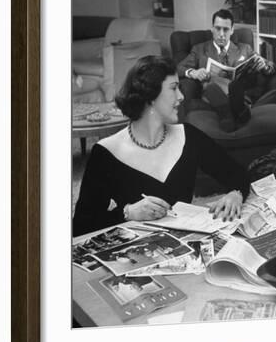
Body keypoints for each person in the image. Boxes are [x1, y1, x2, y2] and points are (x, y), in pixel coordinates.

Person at [73, 55, 250, 237]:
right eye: (174, 88)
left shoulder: (189, 136)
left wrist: (235, 194)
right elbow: (81, 226)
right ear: (150, 96)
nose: (181, 97)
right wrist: (128, 213)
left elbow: (239, 175)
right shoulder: (106, 152)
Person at [176, 9, 276, 130]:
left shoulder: (244, 49)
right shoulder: (199, 49)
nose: (221, 34)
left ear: (232, 30)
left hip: (240, 95)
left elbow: (272, 67)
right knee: (211, 87)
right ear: (212, 29)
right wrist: (193, 73)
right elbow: (179, 67)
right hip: (212, 94)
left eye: (226, 29)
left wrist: (264, 66)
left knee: (235, 86)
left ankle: (229, 113)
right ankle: (239, 113)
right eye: (218, 28)